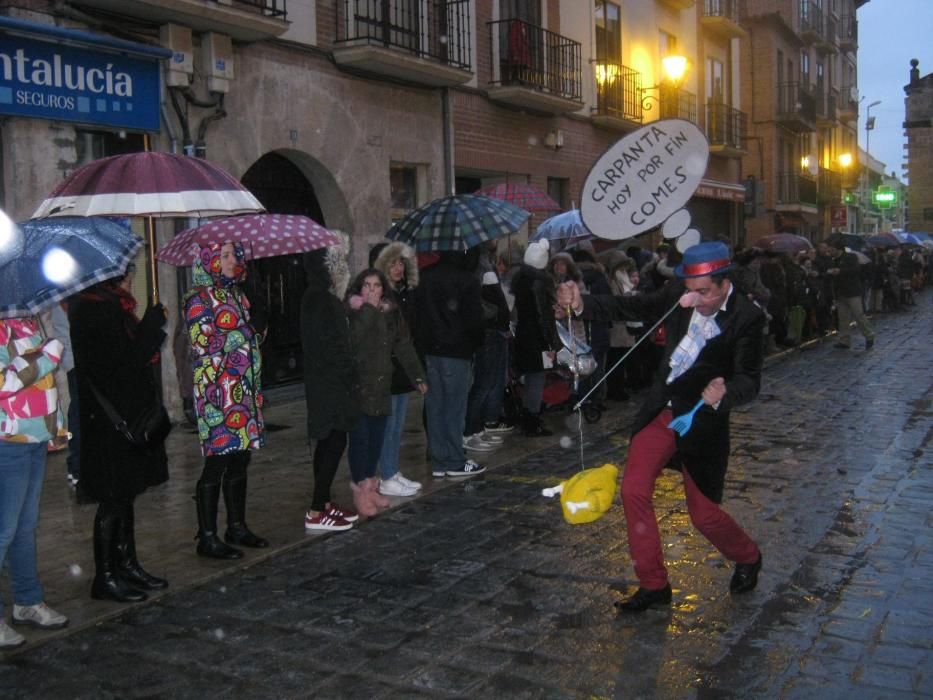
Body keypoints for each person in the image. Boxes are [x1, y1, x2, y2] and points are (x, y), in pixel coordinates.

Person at [557, 241, 765, 612]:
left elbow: (750, 378)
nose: (695, 299)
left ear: (723, 284)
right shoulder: (677, 293)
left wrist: (726, 391)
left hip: (702, 423)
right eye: (690, 291)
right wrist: (582, 303)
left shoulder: (747, 316)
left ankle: (748, 555)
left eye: (704, 293)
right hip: (662, 411)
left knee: (703, 516)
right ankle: (654, 584)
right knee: (634, 490)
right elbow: (632, 305)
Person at [69, 270, 171, 603]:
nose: (130, 276)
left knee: (125, 494)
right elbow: (123, 364)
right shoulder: (96, 310)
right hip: (111, 422)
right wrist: (152, 326)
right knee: (113, 497)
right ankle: (106, 576)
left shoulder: (110, 306)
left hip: (123, 417)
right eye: (124, 272)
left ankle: (127, 565)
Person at [185, 242, 267, 559]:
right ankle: (207, 536)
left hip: (242, 392)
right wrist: (244, 333)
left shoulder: (236, 294)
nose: (235, 260)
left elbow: (247, 336)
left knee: (240, 459)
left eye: (235, 255)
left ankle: (237, 526)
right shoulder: (198, 299)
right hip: (217, 396)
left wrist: (254, 332)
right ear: (210, 261)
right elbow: (203, 343)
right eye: (226, 256)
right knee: (216, 463)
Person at [0, 316, 69, 647]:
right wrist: (48, 356)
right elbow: (5, 383)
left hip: (36, 438)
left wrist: (57, 428)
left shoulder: (25, 323)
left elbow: (46, 385)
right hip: (6, 443)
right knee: (3, 532)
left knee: (24, 530)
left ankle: (27, 601)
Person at [345, 269, 426, 515]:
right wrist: (369, 309)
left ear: (383, 289)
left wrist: (418, 376)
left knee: (376, 440)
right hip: (360, 388)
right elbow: (354, 340)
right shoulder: (354, 312)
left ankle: (371, 486)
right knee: (360, 440)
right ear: (359, 289)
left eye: (376, 286)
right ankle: (360, 490)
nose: (371, 290)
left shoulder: (390, 313)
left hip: (381, 387)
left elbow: (403, 345)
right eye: (367, 286)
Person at [300, 243, 361, 532]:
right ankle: (316, 508)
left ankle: (323, 502)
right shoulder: (321, 300)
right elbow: (335, 345)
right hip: (331, 382)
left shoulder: (316, 297)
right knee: (333, 440)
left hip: (325, 380)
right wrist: (350, 375)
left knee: (330, 440)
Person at [415, 249, 486, 478]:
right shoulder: (467, 279)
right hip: (456, 351)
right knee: (454, 409)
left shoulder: (425, 276)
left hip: (430, 350)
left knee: (435, 407)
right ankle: (454, 459)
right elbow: (474, 319)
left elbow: (418, 316)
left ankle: (439, 460)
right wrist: (474, 343)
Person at [373, 242, 426, 496]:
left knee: (398, 424)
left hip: (402, 368)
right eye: (392, 263)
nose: (398, 268)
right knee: (388, 425)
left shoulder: (404, 293)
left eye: (400, 263)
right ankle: (386, 474)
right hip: (388, 369)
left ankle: (392, 470)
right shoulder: (382, 298)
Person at [512, 239, 559, 437]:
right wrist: (552, 341)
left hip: (524, 334)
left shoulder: (520, 279)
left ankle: (528, 417)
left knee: (531, 378)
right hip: (537, 338)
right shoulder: (539, 283)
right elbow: (543, 316)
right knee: (536, 379)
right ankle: (532, 419)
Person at [824, 238, 875, 351]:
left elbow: (855, 270)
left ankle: (869, 336)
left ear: (838, 249)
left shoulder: (850, 257)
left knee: (859, 315)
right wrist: (829, 273)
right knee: (843, 318)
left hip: (853, 292)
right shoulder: (833, 260)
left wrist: (840, 271)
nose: (830, 252)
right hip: (840, 293)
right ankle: (844, 340)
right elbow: (829, 275)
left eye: (832, 250)